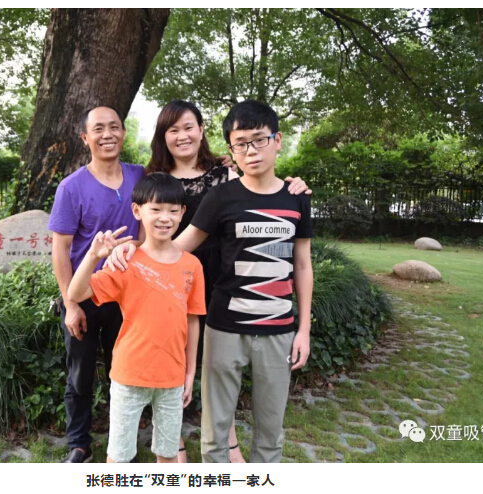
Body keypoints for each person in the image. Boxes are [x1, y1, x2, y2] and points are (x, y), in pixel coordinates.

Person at [108, 100, 313, 462]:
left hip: (278, 327)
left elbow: (303, 265)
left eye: (259, 140)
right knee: (215, 432)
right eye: (241, 144)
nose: (251, 150)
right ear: (231, 149)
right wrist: (131, 250)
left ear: (277, 140)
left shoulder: (296, 199)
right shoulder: (220, 196)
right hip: (224, 322)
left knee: (271, 432)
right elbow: (177, 245)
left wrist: (304, 329)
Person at [68, 173, 206, 463]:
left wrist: (190, 371)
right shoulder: (125, 262)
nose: (165, 217)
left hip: (172, 377)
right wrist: (93, 257)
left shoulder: (192, 265)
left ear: (183, 212)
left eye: (173, 210)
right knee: (118, 458)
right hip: (129, 375)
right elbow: (76, 292)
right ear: (137, 211)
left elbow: (193, 319)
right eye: (155, 209)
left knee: (168, 454)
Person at [48, 106, 145, 463]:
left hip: (127, 296)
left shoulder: (140, 176)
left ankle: (123, 444)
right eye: (99, 129)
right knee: (80, 375)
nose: (108, 134)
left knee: (126, 372)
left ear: (123, 133)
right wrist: (70, 305)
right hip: (85, 295)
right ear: (85, 138)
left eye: (114, 127)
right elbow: (60, 250)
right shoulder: (71, 187)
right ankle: (80, 444)